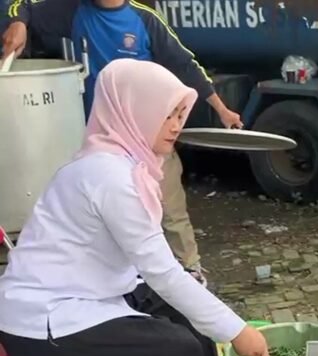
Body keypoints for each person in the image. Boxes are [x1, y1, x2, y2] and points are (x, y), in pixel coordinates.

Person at [0, 58, 270, 356]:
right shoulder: (107, 175)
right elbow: (162, 272)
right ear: (132, 110)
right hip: (42, 318)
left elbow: (152, 266)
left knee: (193, 328)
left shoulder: (129, 163)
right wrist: (237, 330)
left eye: (179, 114)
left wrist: (215, 320)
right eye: (166, 114)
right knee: (174, 351)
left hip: (89, 293)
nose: (175, 125)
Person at [1, 0, 245, 284]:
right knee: (110, 216)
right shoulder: (72, 10)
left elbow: (185, 65)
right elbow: (22, 5)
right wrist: (18, 23)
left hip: (149, 137)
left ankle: (190, 269)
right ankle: (125, 281)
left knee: (170, 211)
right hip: (103, 141)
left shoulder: (144, 19)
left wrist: (222, 110)